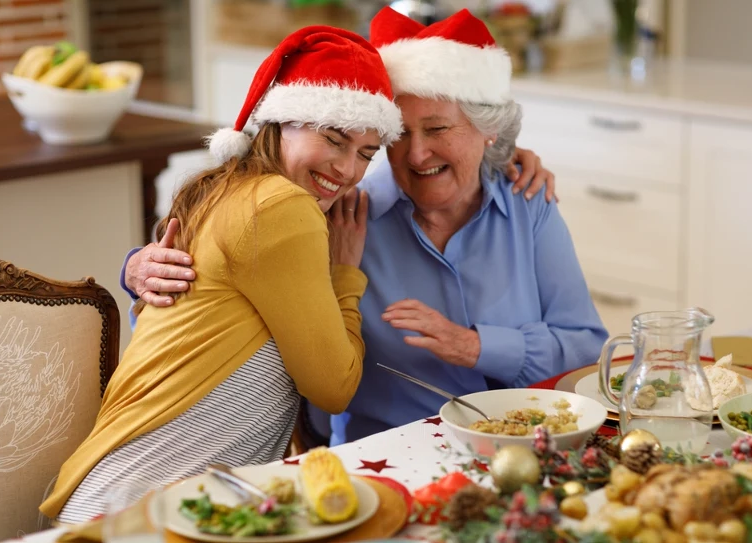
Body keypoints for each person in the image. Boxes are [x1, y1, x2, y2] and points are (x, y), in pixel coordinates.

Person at [123, 8, 607, 446]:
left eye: (437, 129)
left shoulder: (527, 203)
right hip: (386, 457)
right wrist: (140, 270)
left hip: (529, 445)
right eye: (399, 137)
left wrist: (476, 346)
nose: (417, 154)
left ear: (488, 130)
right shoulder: (338, 208)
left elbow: (587, 350)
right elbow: (215, 289)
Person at [39, 26, 403, 522]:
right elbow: (334, 389)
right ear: (278, 124)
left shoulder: (222, 189)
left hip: (125, 497)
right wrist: (344, 275)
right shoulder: (283, 206)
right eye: (333, 139)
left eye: (366, 153)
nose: (348, 170)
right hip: (143, 506)